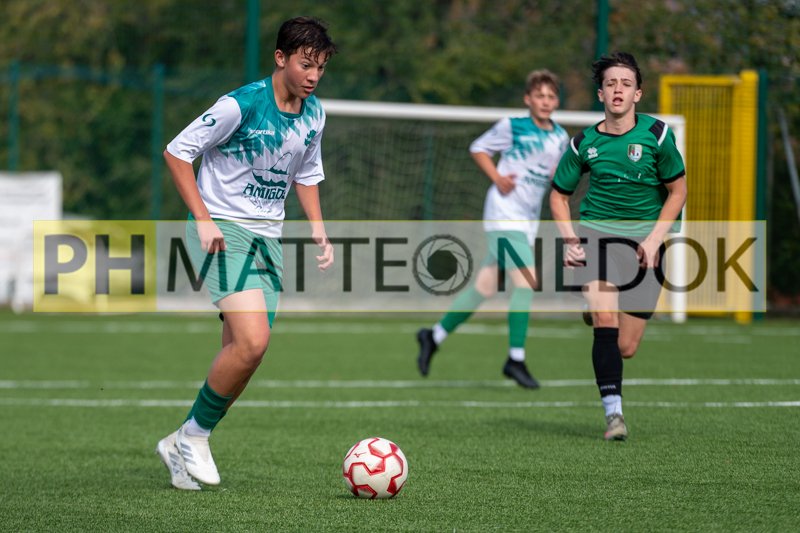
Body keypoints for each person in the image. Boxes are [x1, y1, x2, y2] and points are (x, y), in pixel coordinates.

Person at [156, 17, 337, 490]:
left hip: (267, 239)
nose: (313, 76)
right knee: (254, 341)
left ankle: (180, 441)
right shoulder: (241, 105)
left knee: (244, 354)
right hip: (224, 231)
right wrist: (203, 218)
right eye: (305, 64)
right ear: (280, 58)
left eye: (320, 67)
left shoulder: (315, 114)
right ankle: (194, 436)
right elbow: (177, 152)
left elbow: (307, 174)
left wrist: (318, 228)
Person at [549, 52, 687, 440]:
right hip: (598, 237)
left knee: (626, 347)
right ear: (601, 94)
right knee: (606, 320)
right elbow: (559, 195)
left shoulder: (657, 135)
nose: (618, 90)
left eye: (626, 84)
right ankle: (614, 416)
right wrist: (570, 240)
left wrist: (655, 238)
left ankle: (597, 311)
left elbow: (678, 191)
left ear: (637, 93)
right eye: (611, 83)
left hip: (646, 244)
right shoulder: (584, 143)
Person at [416, 70, 569, 389]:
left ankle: (433, 336)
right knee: (526, 282)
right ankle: (515, 359)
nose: (545, 101)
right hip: (503, 214)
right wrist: (497, 177)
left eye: (551, 96)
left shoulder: (560, 137)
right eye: (539, 96)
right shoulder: (512, 126)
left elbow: (555, 175)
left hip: (527, 220)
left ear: (557, 101)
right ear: (527, 99)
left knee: (484, 288)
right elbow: (478, 148)